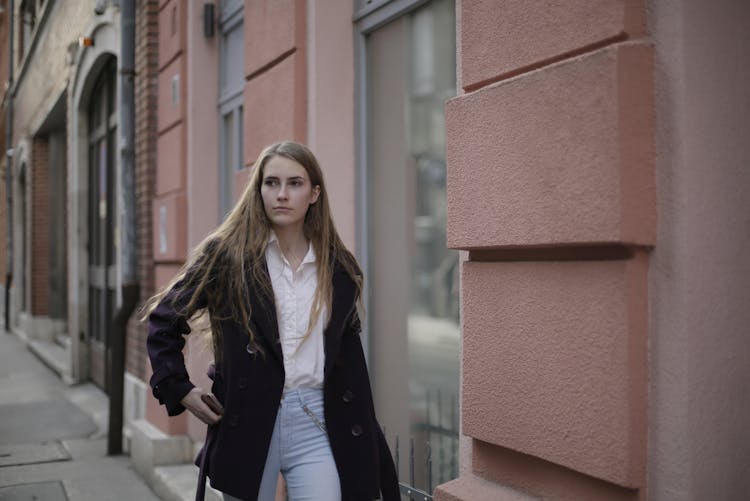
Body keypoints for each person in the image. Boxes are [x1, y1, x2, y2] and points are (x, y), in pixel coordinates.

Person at [143, 141, 400, 501]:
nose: (282, 194)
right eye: (271, 183)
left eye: (295, 183)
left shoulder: (338, 267)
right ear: (258, 189)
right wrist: (180, 389)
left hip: (317, 421)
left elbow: (349, 362)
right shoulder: (228, 256)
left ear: (314, 193)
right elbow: (164, 321)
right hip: (249, 420)